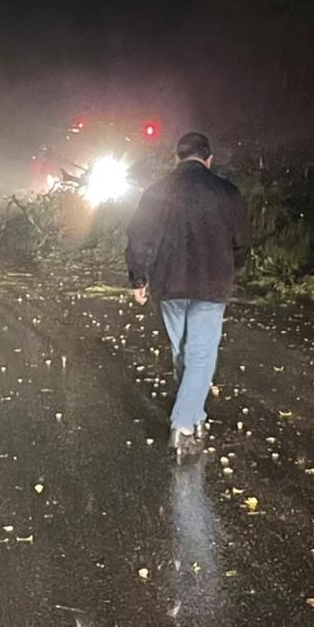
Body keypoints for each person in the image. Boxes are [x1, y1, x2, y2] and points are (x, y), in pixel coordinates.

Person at [125, 131, 250, 454]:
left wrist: (139, 279)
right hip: (212, 283)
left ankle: (195, 416)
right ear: (208, 159)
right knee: (200, 354)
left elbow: (139, 238)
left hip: (169, 284)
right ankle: (183, 425)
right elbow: (241, 243)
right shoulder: (227, 193)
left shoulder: (156, 191)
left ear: (176, 158)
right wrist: (231, 268)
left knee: (182, 351)